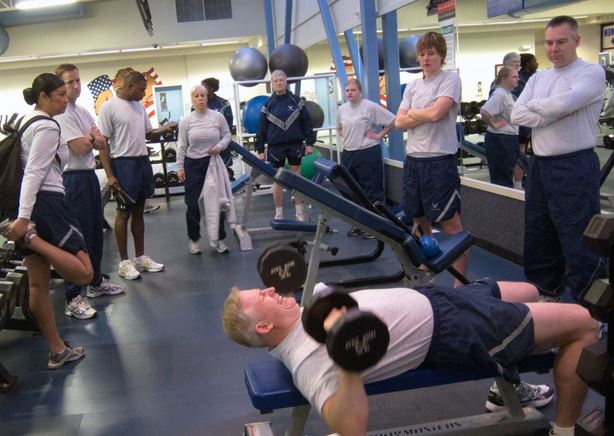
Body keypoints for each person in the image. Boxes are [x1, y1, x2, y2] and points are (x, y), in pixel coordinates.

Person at [223, 281, 597, 436]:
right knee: (583, 323)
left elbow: (327, 294)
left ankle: (504, 389)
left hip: (436, 297)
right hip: (453, 329)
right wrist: (350, 364)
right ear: (263, 327)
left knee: (530, 290)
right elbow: (348, 425)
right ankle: (563, 431)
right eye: (264, 295)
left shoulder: (304, 314)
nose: (272, 288)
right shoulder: (308, 358)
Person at [1, 73, 95, 369]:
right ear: (43, 96)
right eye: (61, 95)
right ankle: (33, 239)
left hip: (33, 204)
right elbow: (34, 173)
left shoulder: (28, 123)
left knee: (39, 286)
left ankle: (57, 350)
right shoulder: (46, 126)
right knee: (84, 273)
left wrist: (22, 213)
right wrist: (25, 219)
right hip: (48, 203)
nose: (66, 100)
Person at [511, 16, 606, 304]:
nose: (554, 48)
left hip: (574, 166)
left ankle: (590, 312)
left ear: (576, 40)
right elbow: (517, 115)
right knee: (539, 239)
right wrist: (553, 110)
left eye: (561, 42)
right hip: (539, 167)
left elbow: (564, 104)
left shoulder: (591, 73)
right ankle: (546, 300)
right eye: (549, 42)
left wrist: (542, 108)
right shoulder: (539, 78)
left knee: (579, 242)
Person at [395, 32, 468, 286]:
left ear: (441, 55)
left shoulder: (450, 80)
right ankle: (427, 276)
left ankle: (460, 287)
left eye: (432, 53)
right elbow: (398, 121)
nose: (426, 58)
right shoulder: (414, 86)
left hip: (439, 162)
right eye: (423, 54)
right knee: (418, 221)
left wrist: (413, 113)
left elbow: (437, 114)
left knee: (451, 226)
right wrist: (417, 115)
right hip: (413, 161)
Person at [54, 64, 125, 320]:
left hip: (89, 177)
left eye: (77, 80)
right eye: (70, 82)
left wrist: (92, 139)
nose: (75, 86)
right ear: (60, 85)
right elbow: (82, 147)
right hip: (72, 179)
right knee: (79, 238)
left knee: (95, 231)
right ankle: (74, 296)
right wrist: (91, 139)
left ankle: (95, 281)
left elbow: (102, 141)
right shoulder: (62, 114)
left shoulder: (82, 111)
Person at [98, 71, 177, 280]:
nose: (143, 94)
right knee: (123, 212)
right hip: (122, 164)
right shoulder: (109, 107)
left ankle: (140, 258)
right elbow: (103, 144)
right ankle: (124, 262)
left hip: (142, 162)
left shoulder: (139, 106)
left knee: (139, 211)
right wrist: (110, 174)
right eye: (141, 89)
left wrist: (165, 129)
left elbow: (148, 134)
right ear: (128, 85)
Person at [337, 78, 396, 239]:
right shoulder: (342, 109)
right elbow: (339, 127)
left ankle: (375, 228)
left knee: (372, 191)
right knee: (353, 191)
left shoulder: (370, 107)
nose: (350, 93)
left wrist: (378, 136)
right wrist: (348, 137)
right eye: (347, 90)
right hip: (349, 153)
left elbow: (392, 120)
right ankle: (359, 225)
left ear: (360, 92)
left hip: (368, 152)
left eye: (353, 90)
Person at [177, 85, 232, 255]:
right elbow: (182, 145)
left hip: (213, 163)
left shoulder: (218, 117)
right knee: (192, 204)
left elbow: (227, 135)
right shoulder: (186, 121)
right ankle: (194, 239)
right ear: (192, 99)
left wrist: (220, 146)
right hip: (193, 165)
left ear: (207, 98)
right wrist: (180, 167)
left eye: (203, 95)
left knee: (218, 202)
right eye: (196, 96)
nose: (200, 98)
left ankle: (219, 239)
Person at [255, 69, 316, 221]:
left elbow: (307, 123)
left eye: (281, 80)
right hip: (276, 147)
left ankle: (299, 213)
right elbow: (260, 129)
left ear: (286, 82)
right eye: (275, 81)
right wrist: (260, 150)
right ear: (272, 84)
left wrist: (310, 143)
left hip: (295, 144)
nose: (278, 83)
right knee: (278, 180)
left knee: (297, 178)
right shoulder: (267, 105)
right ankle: (279, 213)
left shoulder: (297, 101)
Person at [480, 66, 520, 188]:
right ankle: (502, 206)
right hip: (500, 140)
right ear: (503, 79)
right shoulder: (500, 95)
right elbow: (484, 111)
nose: (517, 79)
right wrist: (494, 124)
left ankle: (506, 204)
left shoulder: (507, 94)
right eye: (514, 77)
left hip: (508, 138)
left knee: (506, 175)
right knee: (501, 179)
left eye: (517, 77)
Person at [201, 77, 236, 181]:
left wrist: (220, 142)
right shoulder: (199, 104)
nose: (201, 89)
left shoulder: (224, 104)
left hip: (221, 146)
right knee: (208, 176)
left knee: (223, 175)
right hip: (204, 147)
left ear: (211, 88)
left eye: (204, 86)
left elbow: (228, 125)